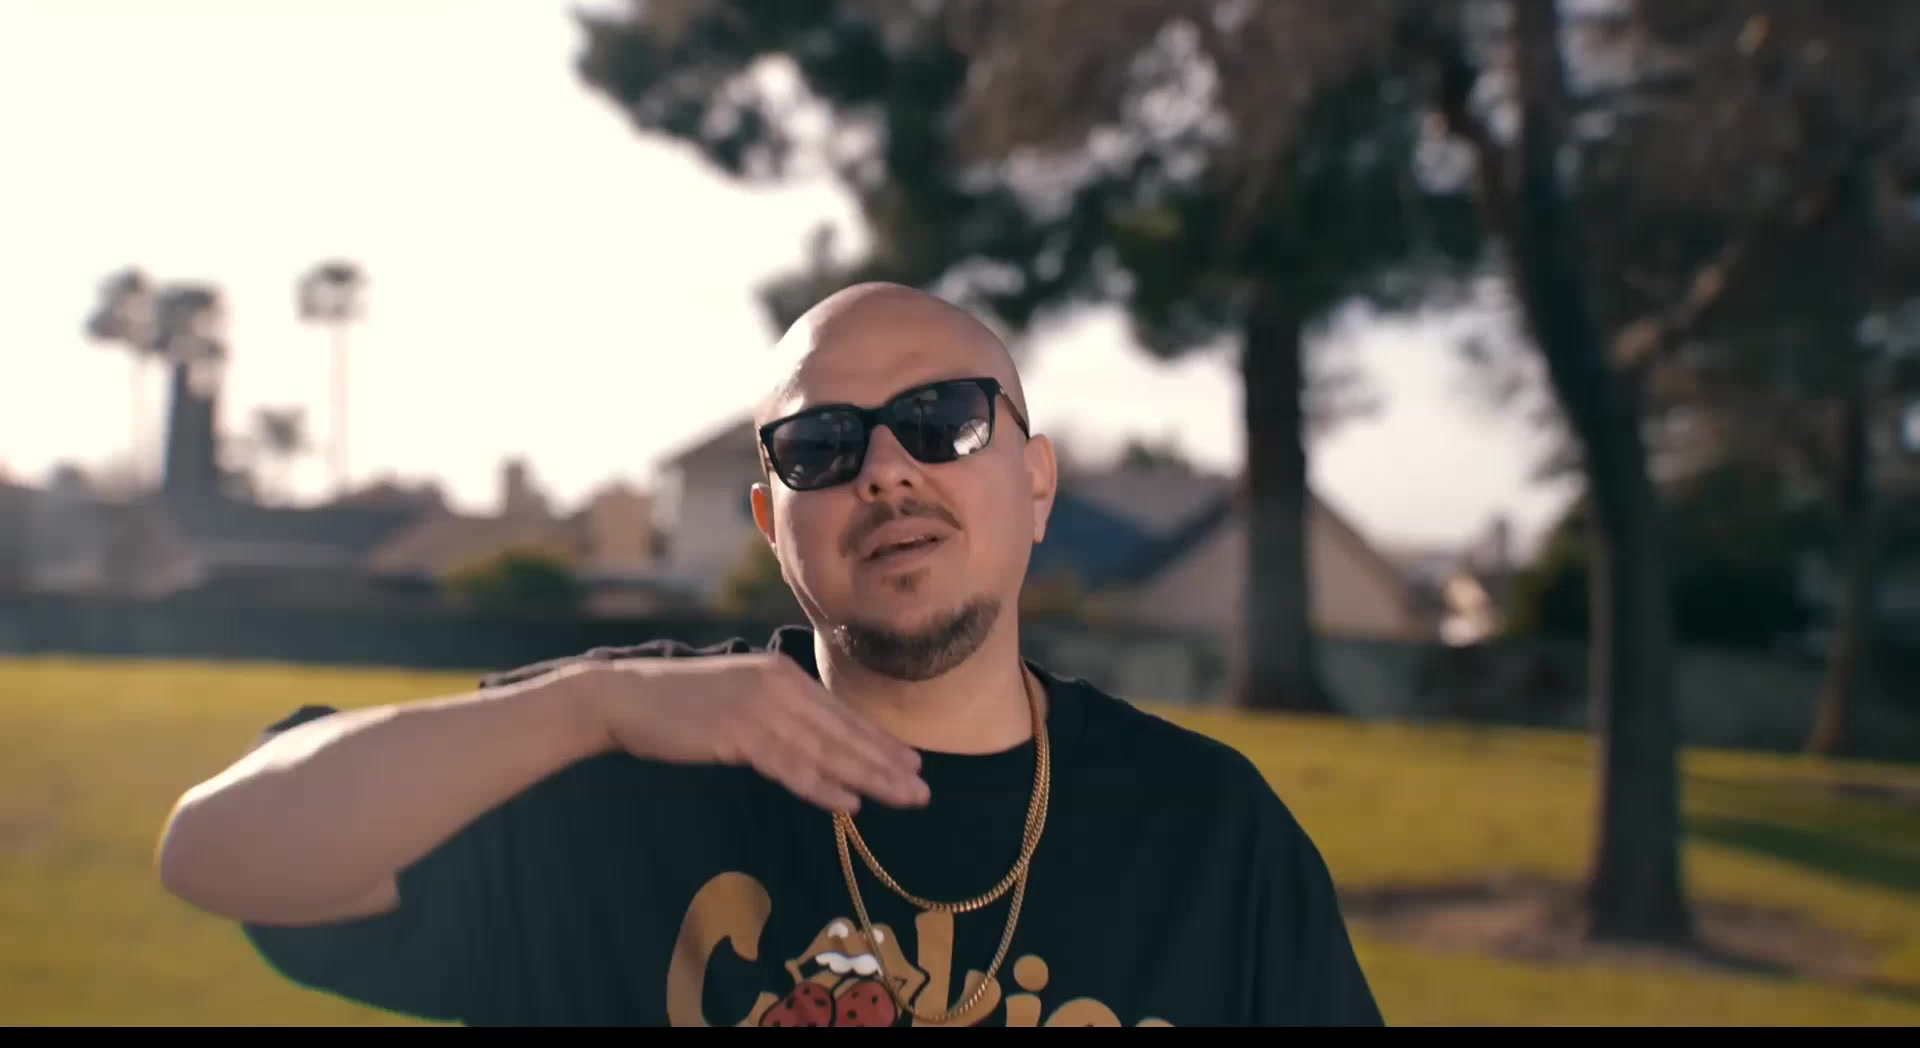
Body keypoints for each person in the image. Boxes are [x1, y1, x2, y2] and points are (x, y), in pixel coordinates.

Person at [155, 282, 1383, 1028]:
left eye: (944, 422)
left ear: (1037, 480)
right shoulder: (623, 769)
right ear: (770, 520)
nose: (886, 470)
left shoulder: (1209, 832)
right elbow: (217, 850)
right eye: (820, 446)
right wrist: (590, 709)